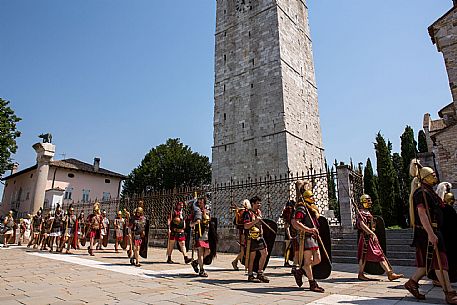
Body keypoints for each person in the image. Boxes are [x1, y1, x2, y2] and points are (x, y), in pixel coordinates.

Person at [404, 159, 457, 304]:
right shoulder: (421, 193)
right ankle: (449, 293)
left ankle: (412, 283)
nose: (435, 177)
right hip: (427, 232)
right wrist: (431, 234)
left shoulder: (429, 192)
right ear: (425, 178)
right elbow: (422, 214)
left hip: (432, 231)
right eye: (432, 175)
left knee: (426, 265)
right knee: (440, 262)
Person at [356, 194, 403, 281]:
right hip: (366, 238)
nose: (370, 202)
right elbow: (361, 225)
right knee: (364, 256)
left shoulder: (367, 212)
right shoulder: (361, 213)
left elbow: (371, 225)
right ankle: (361, 274)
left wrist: (373, 229)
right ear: (363, 202)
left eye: (370, 200)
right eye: (368, 200)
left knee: (379, 254)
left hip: (370, 238)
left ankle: (390, 273)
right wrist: (372, 233)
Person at [291, 182, 324, 293]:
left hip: (312, 237)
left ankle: (300, 271)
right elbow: (296, 222)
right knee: (308, 261)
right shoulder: (301, 207)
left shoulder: (311, 208)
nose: (313, 198)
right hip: (305, 237)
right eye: (311, 196)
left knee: (318, 259)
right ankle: (312, 283)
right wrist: (309, 230)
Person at [242, 196, 269, 283]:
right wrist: (255, 221)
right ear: (253, 204)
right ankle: (250, 275)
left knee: (265, 253)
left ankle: (260, 273)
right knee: (252, 256)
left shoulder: (259, 212)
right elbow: (246, 226)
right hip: (251, 237)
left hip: (259, 236)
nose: (259, 205)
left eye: (260, 203)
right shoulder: (248, 213)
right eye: (257, 203)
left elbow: (260, 224)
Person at [190, 197, 212, 277]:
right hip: (199, 234)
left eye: (201, 203)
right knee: (200, 253)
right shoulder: (196, 212)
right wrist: (196, 222)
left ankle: (195, 262)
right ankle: (202, 270)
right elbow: (190, 224)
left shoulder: (208, 211)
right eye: (198, 203)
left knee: (208, 252)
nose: (199, 204)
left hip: (206, 234)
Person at [231, 199, 250, 271]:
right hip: (244, 233)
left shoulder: (242, 212)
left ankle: (238, 262)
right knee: (244, 250)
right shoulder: (244, 212)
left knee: (245, 249)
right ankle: (235, 262)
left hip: (244, 232)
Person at [281, 199, 296, 268]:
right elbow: (286, 226)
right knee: (288, 247)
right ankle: (286, 262)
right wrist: (289, 235)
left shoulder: (292, 213)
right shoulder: (288, 213)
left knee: (291, 248)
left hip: (293, 232)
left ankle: (290, 261)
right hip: (289, 233)